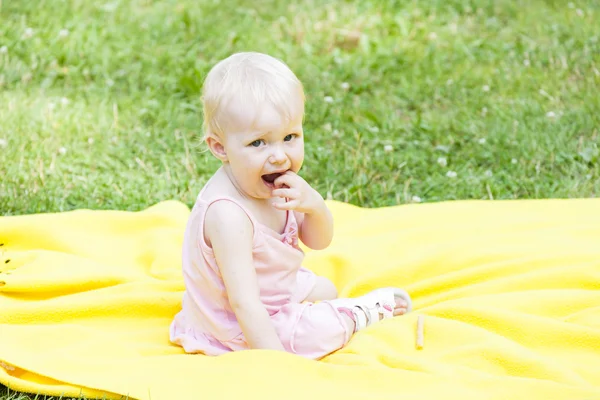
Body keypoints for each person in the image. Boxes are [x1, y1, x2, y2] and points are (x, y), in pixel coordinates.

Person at [169, 52, 412, 359]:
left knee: (325, 289)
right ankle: (359, 313)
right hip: (235, 324)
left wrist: (315, 206)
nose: (280, 155)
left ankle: (315, 312)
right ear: (220, 148)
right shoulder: (228, 215)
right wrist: (276, 362)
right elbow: (244, 302)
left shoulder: (270, 181)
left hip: (275, 290)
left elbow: (319, 241)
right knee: (316, 332)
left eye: (290, 136)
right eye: (259, 143)